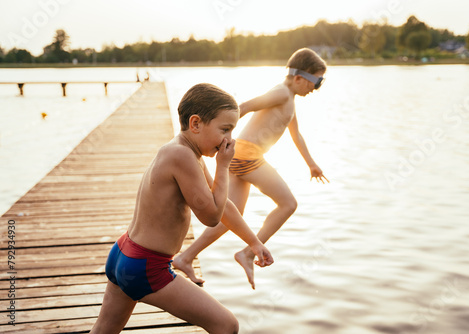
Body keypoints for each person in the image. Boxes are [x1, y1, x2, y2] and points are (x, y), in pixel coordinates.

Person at [90, 83, 273, 334]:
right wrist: (223, 167)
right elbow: (211, 216)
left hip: (124, 253)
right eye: (225, 129)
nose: (230, 140)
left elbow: (225, 206)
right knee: (227, 325)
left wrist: (254, 242)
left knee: (104, 330)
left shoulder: (183, 150)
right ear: (196, 123)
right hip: (146, 266)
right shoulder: (183, 156)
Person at [173, 48, 329, 290]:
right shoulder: (281, 93)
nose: (315, 88)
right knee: (288, 203)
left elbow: (295, 134)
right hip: (247, 155)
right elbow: (243, 106)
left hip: (245, 155)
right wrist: (226, 136)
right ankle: (248, 252)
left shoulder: (290, 100)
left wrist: (311, 163)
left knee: (230, 217)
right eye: (316, 82)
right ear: (299, 77)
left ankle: (185, 257)